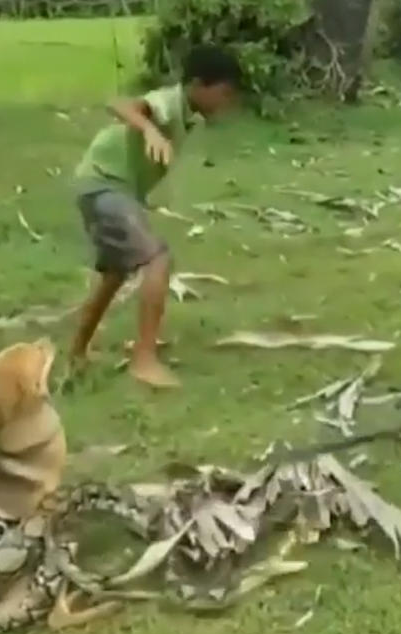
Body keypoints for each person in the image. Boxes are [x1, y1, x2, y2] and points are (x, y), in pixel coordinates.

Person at [68, 45, 242, 388]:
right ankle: (144, 361)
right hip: (104, 185)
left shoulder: (189, 113)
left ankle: (76, 353)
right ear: (197, 85)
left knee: (115, 273)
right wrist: (149, 129)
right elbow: (118, 104)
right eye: (222, 93)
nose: (226, 102)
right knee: (157, 259)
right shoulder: (168, 101)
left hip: (104, 187)